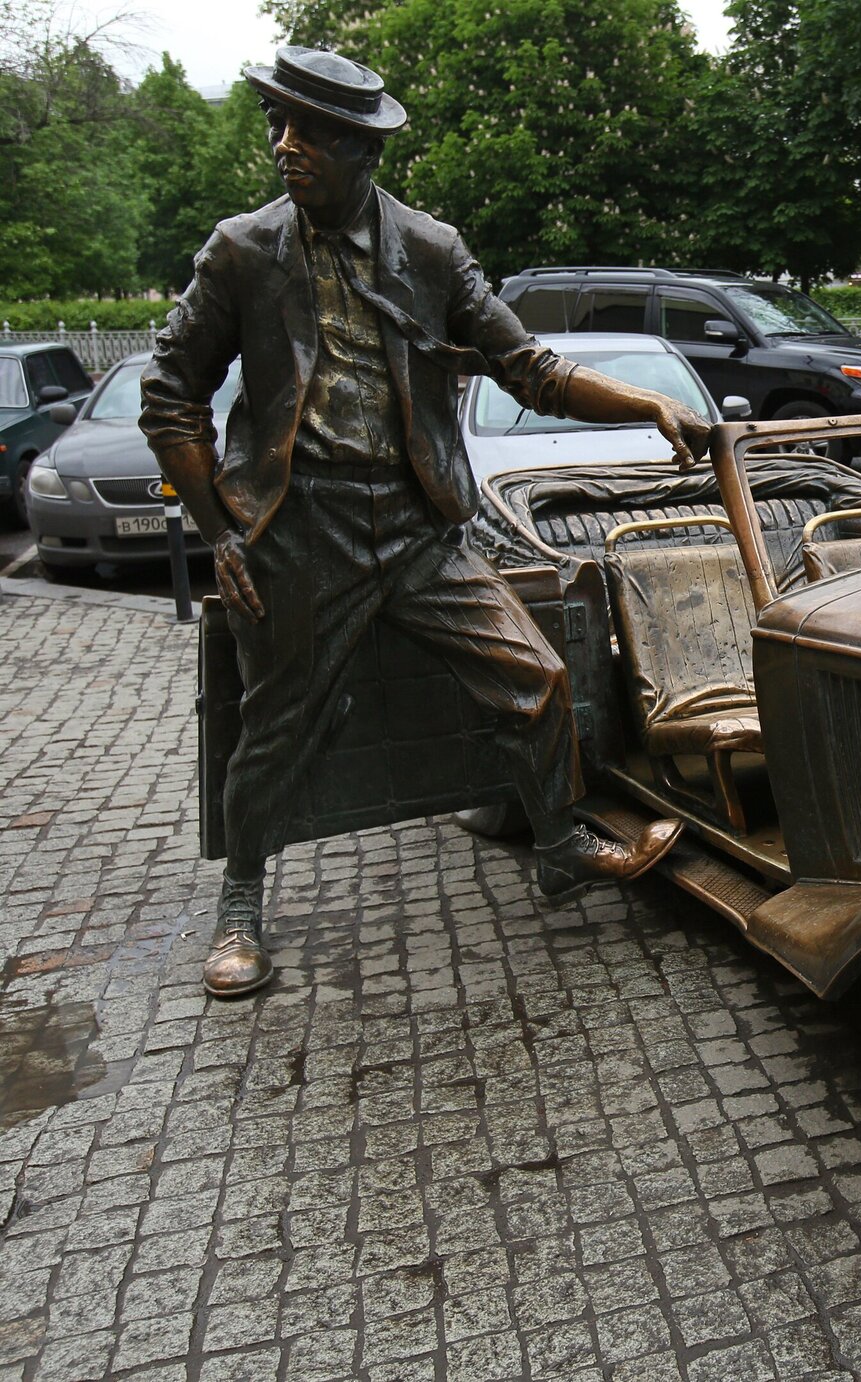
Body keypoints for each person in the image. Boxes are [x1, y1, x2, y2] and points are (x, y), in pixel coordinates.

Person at [140, 48, 707, 998]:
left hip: (415, 525)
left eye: (309, 131)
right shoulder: (243, 249)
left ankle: (560, 841)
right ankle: (241, 901)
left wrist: (646, 405)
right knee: (273, 727)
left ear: (363, 149)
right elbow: (170, 395)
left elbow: (530, 368)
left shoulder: (432, 250)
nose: (286, 147)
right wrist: (222, 530)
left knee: (535, 677)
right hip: (298, 527)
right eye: (277, 126)